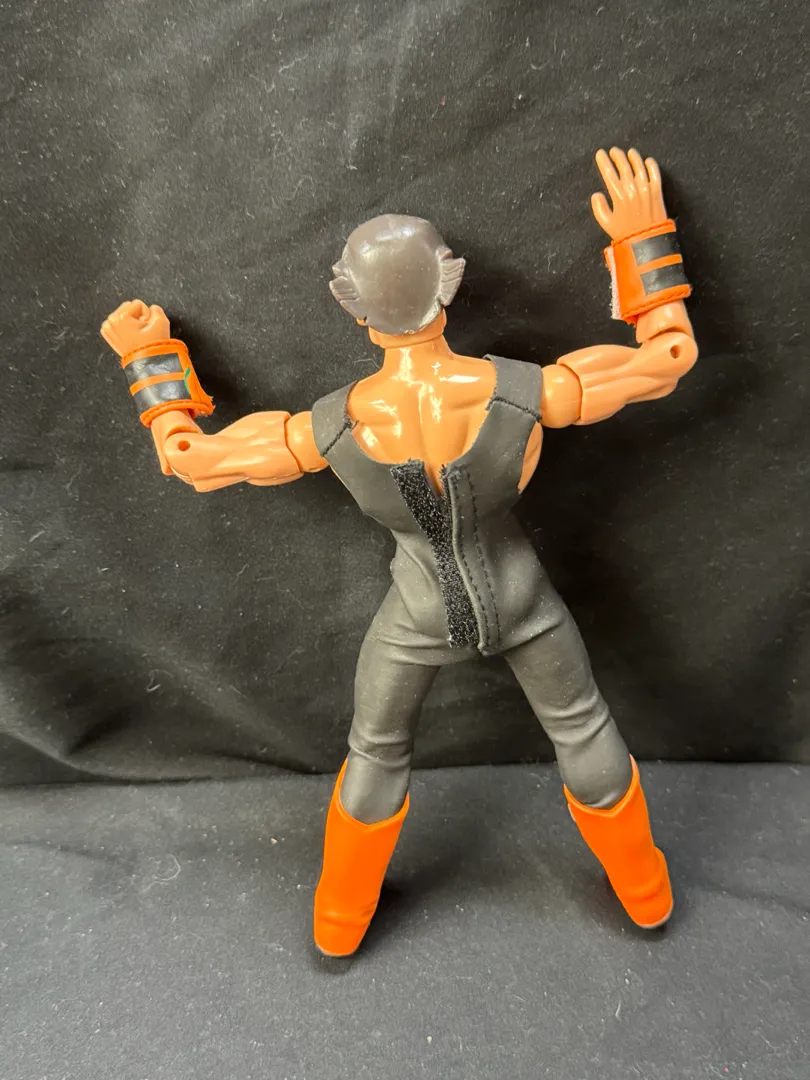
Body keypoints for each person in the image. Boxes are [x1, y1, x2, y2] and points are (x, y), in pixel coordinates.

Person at [101, 147, 698, 957]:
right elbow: (668, 358)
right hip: (523, 596)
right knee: (583, 725)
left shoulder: (330, 427)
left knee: (376, 753)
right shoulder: (529, 390)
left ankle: (340, 916)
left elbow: (192, 460)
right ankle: (644, 886)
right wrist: (643, 239)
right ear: (449, 284)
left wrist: (148, 360)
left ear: (350, 304)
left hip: (416, 614)